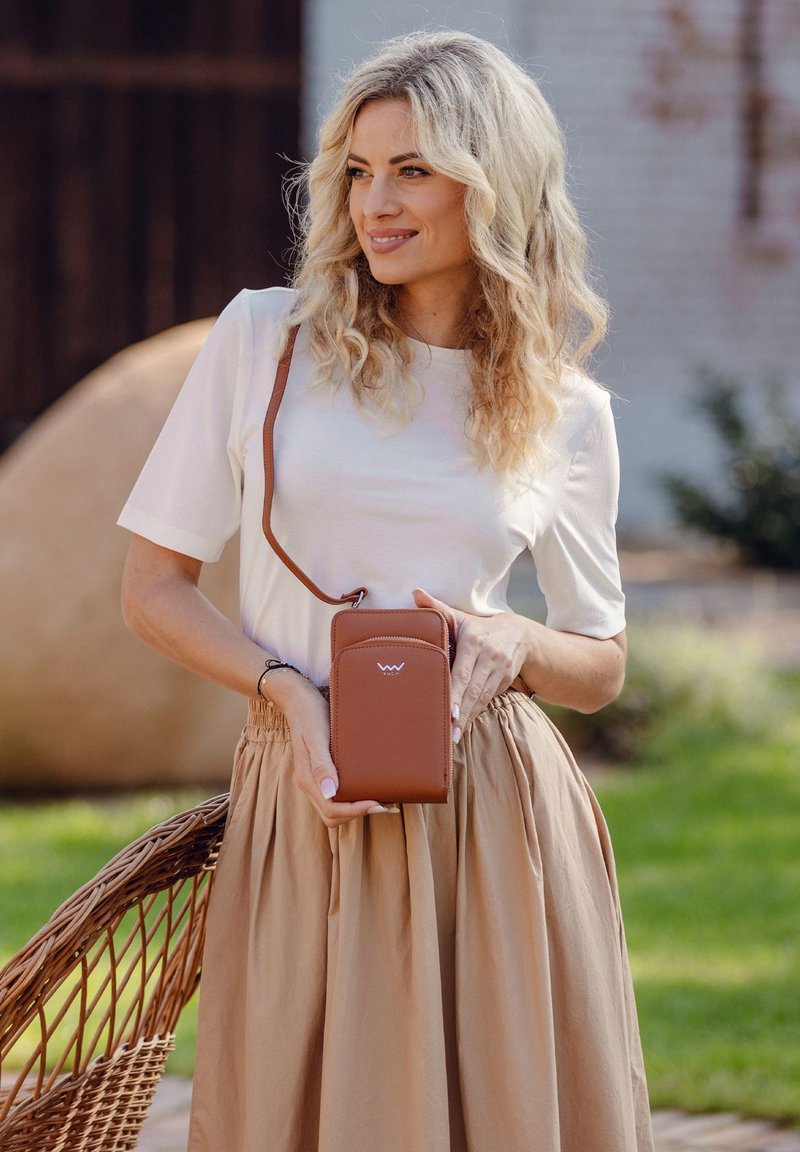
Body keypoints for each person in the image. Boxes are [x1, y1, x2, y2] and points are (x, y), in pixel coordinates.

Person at [118, 29, 654, 1152]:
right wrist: (285, 692)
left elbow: (598, 663)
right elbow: (154, 588)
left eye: (413, 168)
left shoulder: (567, 409)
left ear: (492, 185)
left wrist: (508, 635)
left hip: (493, 806)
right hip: (304, 786)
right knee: (292, 1115)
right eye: (358, 172)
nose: (376, 202)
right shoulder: (263, 339)